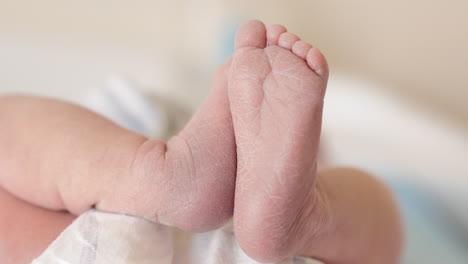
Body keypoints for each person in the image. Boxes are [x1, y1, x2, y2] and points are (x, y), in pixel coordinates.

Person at [0, 20, 402, 264]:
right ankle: (308, 212)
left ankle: (165, 178)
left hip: (70, 245)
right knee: (377, 224)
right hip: (267, 251)